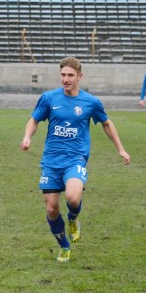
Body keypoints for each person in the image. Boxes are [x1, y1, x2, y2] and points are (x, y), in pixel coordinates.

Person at [20, 57, 130, 263]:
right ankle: (64, 247)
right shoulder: (49, 99)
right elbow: (34, 120)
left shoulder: (91, 102)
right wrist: (27, 137)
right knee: (52, 209)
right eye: (63, 75)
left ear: (80, 76)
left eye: (70, 75)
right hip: (51, 161)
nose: (66, 79)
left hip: (75, 159)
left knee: (72, 197)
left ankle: (72, 219)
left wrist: (121, 150)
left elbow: (107, 124)